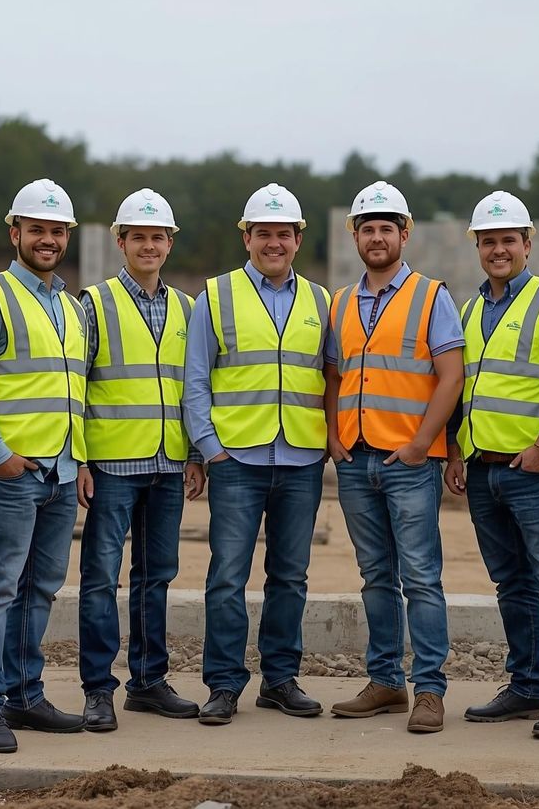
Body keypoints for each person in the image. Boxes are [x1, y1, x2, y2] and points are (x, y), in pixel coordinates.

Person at [0, 178, 87, 753]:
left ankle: (24, 696)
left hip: (58, 472)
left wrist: (77, 460)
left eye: (57, 231)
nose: (48, 239)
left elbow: (71, 392)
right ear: (17, 233)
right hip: (11, 474)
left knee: (39, 591)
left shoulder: (71, 306)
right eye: (38, 230)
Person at [445, 191, 539, 739]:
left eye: (508, 240)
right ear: (478, 247)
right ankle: (527, 685)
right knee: (511, 582)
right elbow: (467, 390)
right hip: (483, 470)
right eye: (489, 241)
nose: (498, 249)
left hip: (533, 471)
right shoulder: (471, 309)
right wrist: (457, 450)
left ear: (528, 244)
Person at [184, 183, 330, 725]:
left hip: (300, 459)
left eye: (283, 234)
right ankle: (223, 685)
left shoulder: (321, 301)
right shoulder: (215, 296)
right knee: (227, 577)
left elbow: (329, 379)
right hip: (237, 461)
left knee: (290, 577)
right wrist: (210, 449)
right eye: (263, 233)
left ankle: (280, 680)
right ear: (247, 238)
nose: (274, 242)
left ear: (297, 240)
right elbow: (195, 379)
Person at [325, 181, 464, 733]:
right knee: (376, 577)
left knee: (421, 578)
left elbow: (450, 376)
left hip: (409, 463)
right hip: (356, 462)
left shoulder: (432, 297)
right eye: (368, 228)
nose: (377, 237)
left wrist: (418, 445)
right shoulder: (340, 302)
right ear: (355, 236)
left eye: (387, 228)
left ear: (404, 234)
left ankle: (429, 690)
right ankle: (385, 682)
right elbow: (335, 375)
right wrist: (335, 437)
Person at [76, 188, 204, 732]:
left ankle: (148, 683)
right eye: (138, 238)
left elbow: (193, 387)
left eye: (158, 237)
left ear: (169, 243)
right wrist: (79, 458)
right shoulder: (94, 303)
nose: (148, 246)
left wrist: (196, 452)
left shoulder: (187, 308)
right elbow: (72, 388)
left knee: (156, 577)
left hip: (168, 466)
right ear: (120, 242)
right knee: (101, 578)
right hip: (111, 467)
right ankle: (98, 690)